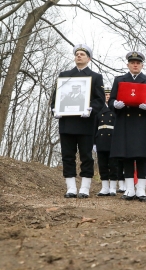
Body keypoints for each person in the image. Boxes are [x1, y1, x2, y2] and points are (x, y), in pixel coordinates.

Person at [51, 44, 105, 198]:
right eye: (77, 54)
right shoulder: (64, 76)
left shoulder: (95, 77)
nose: (79, 56)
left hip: (86, 124)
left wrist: (91, 109)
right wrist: (55, 110)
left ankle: (85, 188)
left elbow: (100, 100)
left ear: (88, 58)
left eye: (82, 54)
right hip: (67, 123)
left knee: (86, 156)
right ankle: (71, 187)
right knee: (67, 156)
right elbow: (56, 98)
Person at [108, 51, 146, 202]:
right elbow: (111, 100)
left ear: (142, 65)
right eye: (132, 63)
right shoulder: (119, 80)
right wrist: (115, 105)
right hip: (125, 121)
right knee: (127, 157)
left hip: (141, 122)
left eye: (138, 63)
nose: (135, 65)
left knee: (141, 157)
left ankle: (141, 189)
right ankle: (130, 189)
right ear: (128, 65)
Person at [94, 86, 119, 196]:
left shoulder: (116, 109)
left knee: (113, 164)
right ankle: (104, 187)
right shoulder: (98, 109)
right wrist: (93, 142)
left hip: (113, 139)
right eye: (106, 95)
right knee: (102, 164)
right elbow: (94, 126)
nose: (107, 97)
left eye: (109, 95)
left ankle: (113, 187)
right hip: (101, 139)